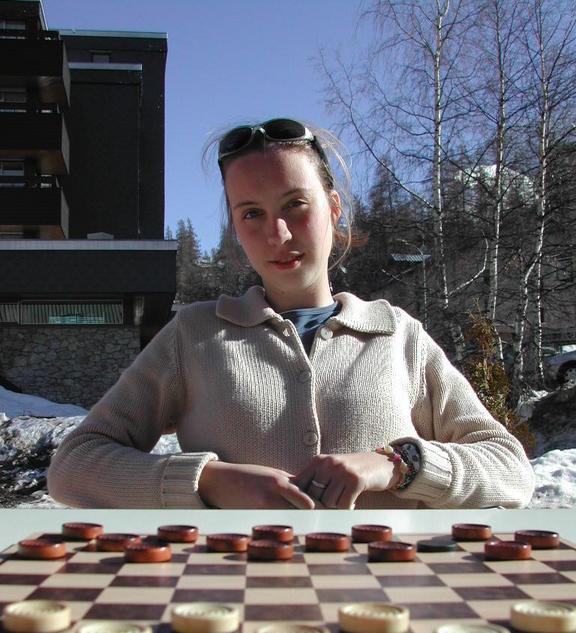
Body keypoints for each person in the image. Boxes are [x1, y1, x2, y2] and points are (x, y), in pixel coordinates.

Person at [47, 118, 535, 510]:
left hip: (382, 608)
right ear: (236, 228)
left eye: (295, 204)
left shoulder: (397, 336)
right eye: (251, 214)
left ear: (334, 208)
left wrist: (394, 465)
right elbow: (73, 465)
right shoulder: (193, 336)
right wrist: (206, 481)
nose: (277, 234)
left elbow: (510, 470)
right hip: (230, 609)